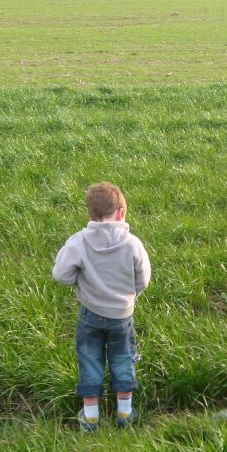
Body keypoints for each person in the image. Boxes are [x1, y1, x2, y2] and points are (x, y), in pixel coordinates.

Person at [52, 182, 151, 431]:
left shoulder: (78, 242)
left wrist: (82, 284)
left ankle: (91, 415)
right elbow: (143, 278)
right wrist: (131, 295)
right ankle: (125, 414)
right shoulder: (132, 243)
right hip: (122, 316)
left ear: (91, 213)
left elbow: (60, 275)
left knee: (90, 360)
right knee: (122, 360)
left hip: (90, 314)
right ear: (121, 212)